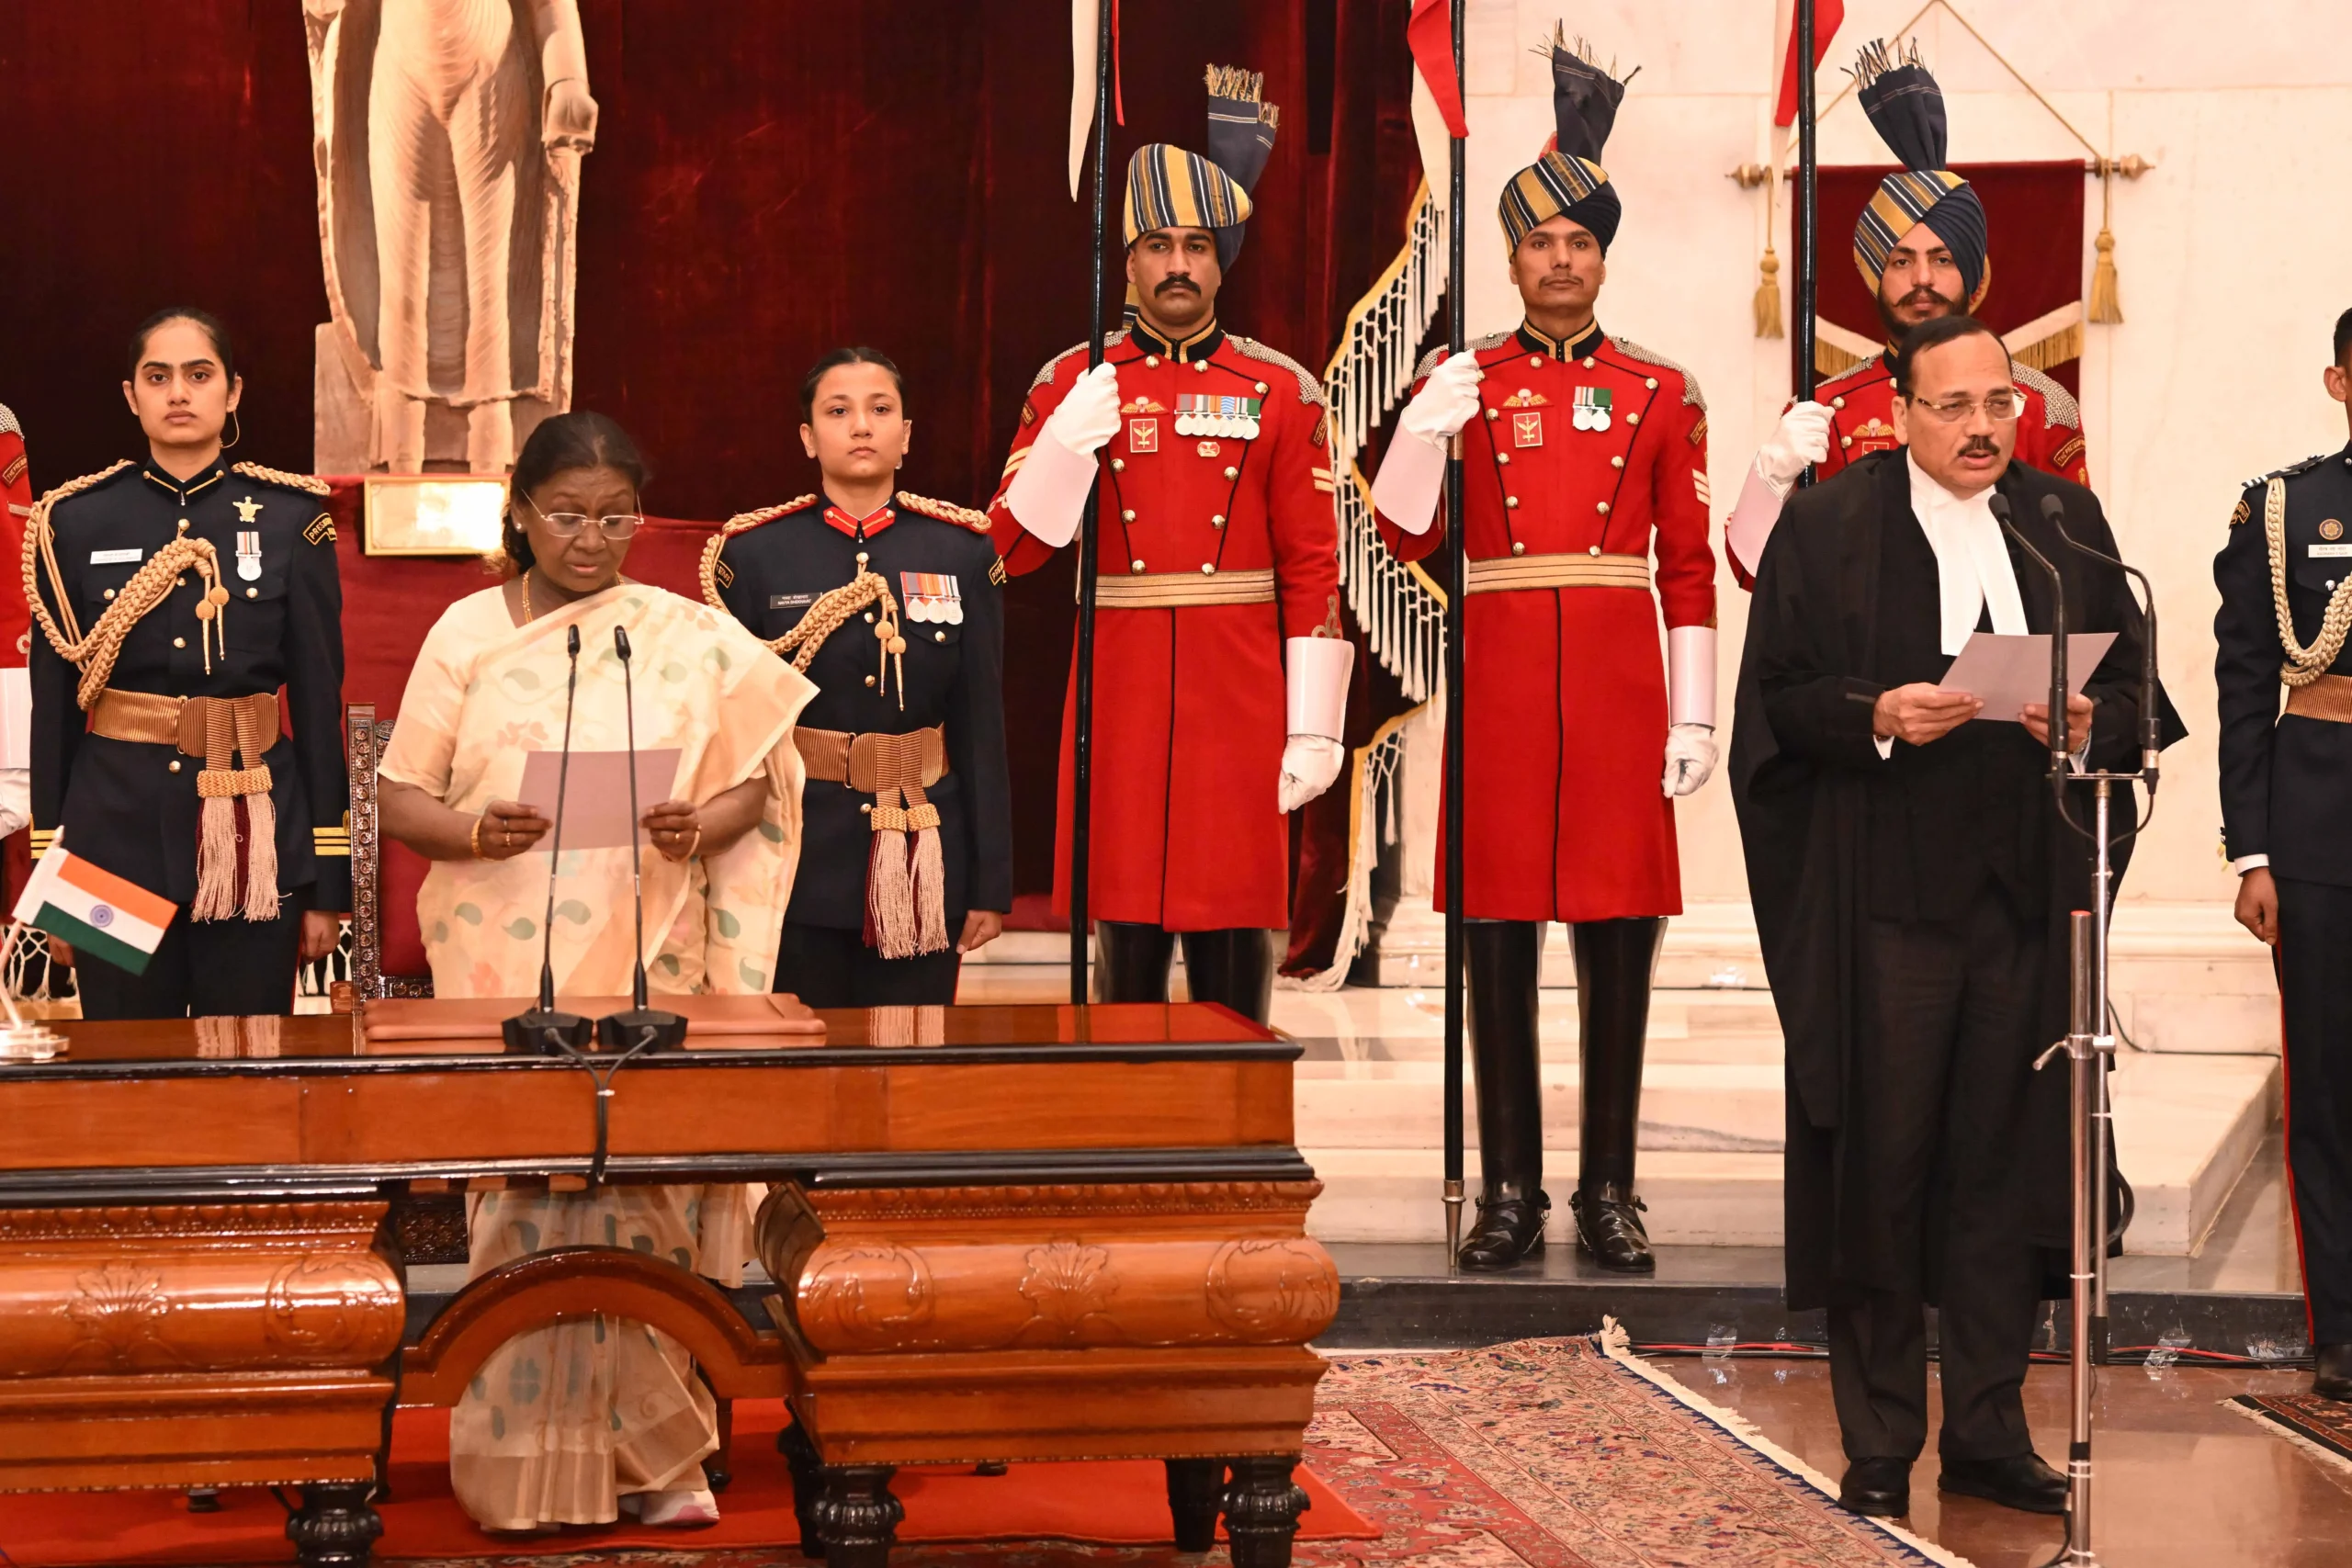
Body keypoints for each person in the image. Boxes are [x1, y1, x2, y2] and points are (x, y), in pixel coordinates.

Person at [1730, 313, 2175, 1518]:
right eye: (1956, 406)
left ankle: (1986, 1428)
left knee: (2002, 1168)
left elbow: (2136, 684)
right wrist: (1880, 713)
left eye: (2000, 404)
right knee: (1883, 1164)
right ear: (1900, 411)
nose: (1984, 426)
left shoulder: (2061, 520)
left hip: (2024, 900)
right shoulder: (1828, 527)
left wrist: (2097, 725)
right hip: (1886, 906)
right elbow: (1774, 705)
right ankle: (1879, 1439)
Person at [377, 411, 815, 1531]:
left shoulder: (676, 631)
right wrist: (477, 835)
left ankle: (660, 1459)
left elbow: (758, 784)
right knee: (529, 1207)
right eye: (567, 516)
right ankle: (523, 1475)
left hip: (646, 965)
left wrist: (694, 823)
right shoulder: (468, 632)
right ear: (518, 512)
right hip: (505, 970)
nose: (591, 540)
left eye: (615, 518)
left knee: (646, 1208)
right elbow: (403, 796)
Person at [1368, 35, 1713, 1273]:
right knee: (1495, 938)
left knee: (1620, 943)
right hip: (1507, 685)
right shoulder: (1466, 380)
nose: (1559, 259)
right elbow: (1403, 528)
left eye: (1579, 242)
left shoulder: (1659, 388)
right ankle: (1509, 1188)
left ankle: (1609, 1188)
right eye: (1538, 242)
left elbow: (1686, 564)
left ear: (1601, 258)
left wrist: (1696, 712)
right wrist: (1419, 430)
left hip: (1622, 690)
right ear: (1510, 259)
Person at [987, 70, 1347, 1024]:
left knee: (1234, 925)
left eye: (1195, 245)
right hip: (1122, 679)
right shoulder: (1074, 377)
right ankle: (1119, 1136)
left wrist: (1315, 722)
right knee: (1124, 934)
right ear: (1129, 261)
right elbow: (1008, 557)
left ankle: (1240, 1148)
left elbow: (1314, 563)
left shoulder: (1281, 389)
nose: (1176, 264)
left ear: (1221, 262)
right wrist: (1062, 451)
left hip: (1238, 689)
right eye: (1156, 246)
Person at [25, 309, 347, 1017]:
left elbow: (320, 709)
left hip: (252, 829)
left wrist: (330, 884)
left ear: (232, 393)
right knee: (123, 1063)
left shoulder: (293, 521)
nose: (178, 392)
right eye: (158, 376)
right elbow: (53, 716)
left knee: (249, 1056)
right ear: (130, 394)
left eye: (199, 375)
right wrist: (53, 878)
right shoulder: (71, 522)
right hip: (108, 841)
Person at [1724, 39, 2091, 588]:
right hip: (1868, 663)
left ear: (1974, 275)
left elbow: (2080, 565)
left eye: (1942, 259)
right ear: (1875, 276)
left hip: (2007, 653)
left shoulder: (2039, 403)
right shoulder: (1826, 410)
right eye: (1901, 260)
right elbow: (1753, 573)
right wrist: (1771, 476)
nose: (1922, 279)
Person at [706, 346, 1011, 1005]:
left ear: (906, 434)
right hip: (800, 850)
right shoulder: (754, 555)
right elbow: (731, 732)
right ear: (809, 438)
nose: (862, 426)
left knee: (913, 1056)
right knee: (804, 1059)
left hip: (923, 847)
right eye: (838, 412)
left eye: (880, 409)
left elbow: (982, 724)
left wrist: (990, 882)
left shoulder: (960, 550)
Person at [2215, 305, 2352, 1404]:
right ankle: (2342, 1327)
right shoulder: (2283, 511)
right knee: (2331, 1089)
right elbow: (2245, 685)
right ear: (2336, 383)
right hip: (2320, 836)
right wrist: (2251, 850)